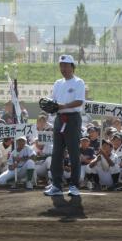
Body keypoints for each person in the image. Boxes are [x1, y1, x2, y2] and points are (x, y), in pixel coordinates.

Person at [44, 54, 85, 197]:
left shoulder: (78, 82)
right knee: (57, 153)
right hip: (59, 119)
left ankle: (74, 185)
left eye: (66, 65)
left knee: (74, 153)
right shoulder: (57, 83)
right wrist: (49, 104)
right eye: (61, 66)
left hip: (73, 119)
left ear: (72, 67)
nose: (63, 68)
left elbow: (79, 101)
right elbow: (53, 100)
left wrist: (63, 106)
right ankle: (56, 185)